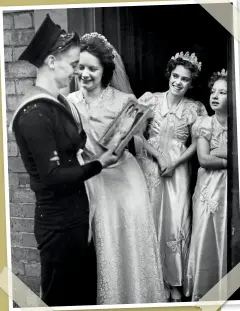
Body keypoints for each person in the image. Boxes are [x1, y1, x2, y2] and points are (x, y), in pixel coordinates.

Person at [8, 15, 118, 307]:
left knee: (81, 296)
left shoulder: (59, 102)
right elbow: (53, 176)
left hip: (76, 221)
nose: (75, 72)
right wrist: (100, 164)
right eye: (72, 64)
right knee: (61, 299)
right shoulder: (33, 113)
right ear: (51, 61)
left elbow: (74, 147)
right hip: (58, 228)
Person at [66, 32, 170, 305]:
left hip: (126, 181)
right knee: (106, 246)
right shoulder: (69, 101)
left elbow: (136, 139)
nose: (84, 73)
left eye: (92, 68)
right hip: (94, 181)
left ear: (106, 70)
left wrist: (156, 149)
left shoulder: (123, 101)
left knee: (131, 246)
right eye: (80, 67)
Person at [135, 51, 207, 301]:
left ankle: (173, 280)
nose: (178, 82)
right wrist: (159, 156)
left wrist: (175, 160)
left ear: (191, 83)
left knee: (175, 220)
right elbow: (136, 134)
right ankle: (152, 280)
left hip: (179, 169)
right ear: (169, 75)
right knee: (151, 218)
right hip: (151, 166)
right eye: (175, 76)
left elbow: (199, 143)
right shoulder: (150, 100)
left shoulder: (195, 109)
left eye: (184, 79)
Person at [184, 69, 228, 301]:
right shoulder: (204, 124)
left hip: (230, 189)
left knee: (226, 234)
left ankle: (228, 288)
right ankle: (204, 290)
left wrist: (219, 153)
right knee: (205, 234)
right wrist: (232, 158)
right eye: (213, 91)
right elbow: (204, 159)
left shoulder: (238, 125)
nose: (215, 96)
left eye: (223, 92)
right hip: (207, 189)